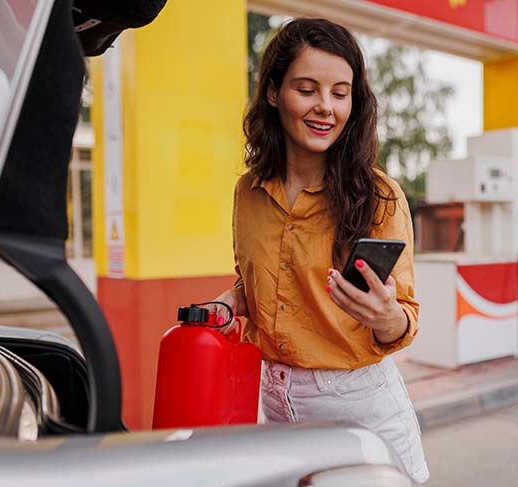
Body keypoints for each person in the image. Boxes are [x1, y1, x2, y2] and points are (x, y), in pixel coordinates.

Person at [210, 17, 429, 484]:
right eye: (307, 89)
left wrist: (384, 314)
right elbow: (262, 281)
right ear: (273, 93)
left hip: (358, 407)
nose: (325, 107)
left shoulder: (379, 195)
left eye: (339, 92)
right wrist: (234, 300)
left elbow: (403, 319)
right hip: (272, 399)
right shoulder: (247, 192)